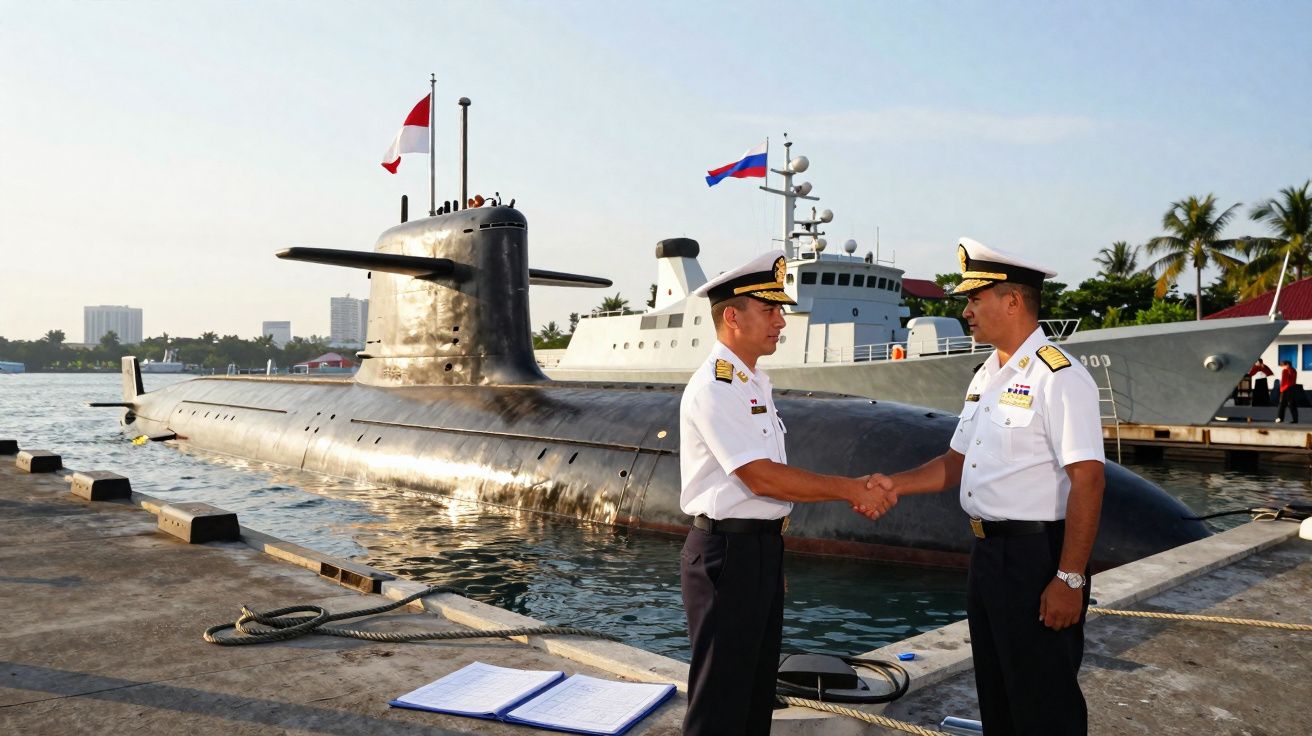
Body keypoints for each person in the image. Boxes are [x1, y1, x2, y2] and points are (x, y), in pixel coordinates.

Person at [862, 237, 1105, 735]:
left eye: (975, 299)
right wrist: (894, 485)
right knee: (998, 694)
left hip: (1038, 557)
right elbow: (955, 463)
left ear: (1012, 301)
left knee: (1044, 702)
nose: (966, 312)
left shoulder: (1058, 376)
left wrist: (1070, 578)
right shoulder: (986, 376)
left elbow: (1089, 478)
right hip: (988, 555)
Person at [679, 250, 891, 736]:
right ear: (732, 317)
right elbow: (762, 478)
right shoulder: (716, 386)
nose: (781, 321)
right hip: (726, 553)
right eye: (769, 309)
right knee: (720, 703)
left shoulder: (752, 382)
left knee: (755, 696)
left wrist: (768, 557)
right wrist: (850, 489)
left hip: (755, 550)